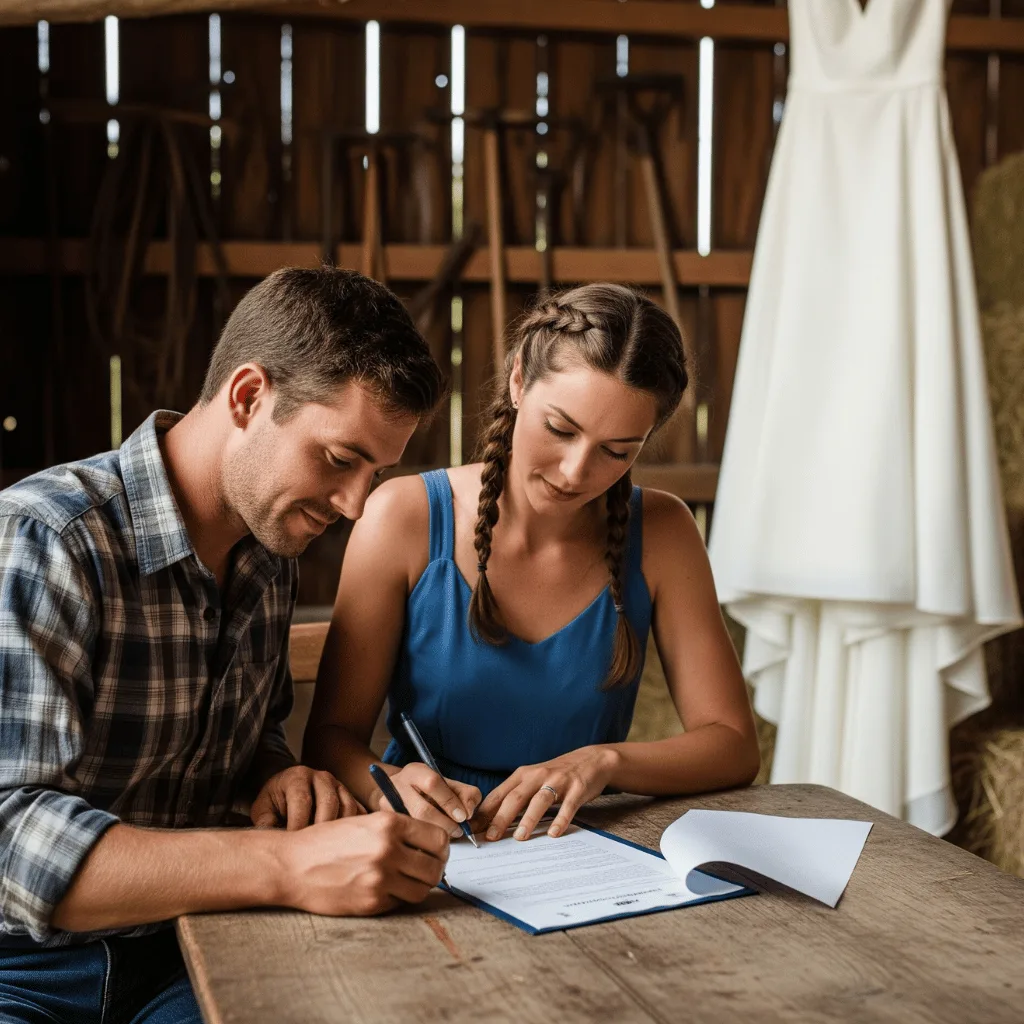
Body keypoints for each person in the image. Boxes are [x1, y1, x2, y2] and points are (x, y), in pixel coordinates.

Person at [0, 267, 451, 1024]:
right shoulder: (46, 538)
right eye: (340, 459)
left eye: (375, 473)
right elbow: (10, 840)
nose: (354, 506)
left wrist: (276, 777)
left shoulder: (271, 554)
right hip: (23, 967)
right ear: (247, 397)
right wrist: (287, 864)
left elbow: (248, 742)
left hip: (196, 946)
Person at [305, 283, 760, 848]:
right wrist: (390, 789)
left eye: (617, 451)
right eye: (561, 429)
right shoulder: (404, 517)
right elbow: (330, 739)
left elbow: (733, 745)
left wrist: (605, 762)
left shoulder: (665, 533)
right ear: (519, 379)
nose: (575, 472)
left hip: (588, 846)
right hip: (436, 841)